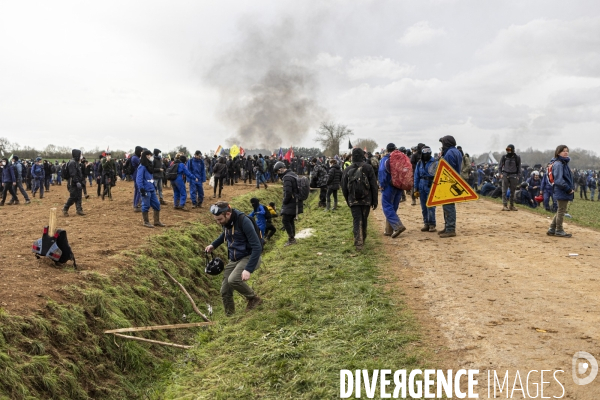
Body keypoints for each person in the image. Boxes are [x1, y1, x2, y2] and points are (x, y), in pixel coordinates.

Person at [205, 202, 263, 316]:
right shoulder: (226, 222)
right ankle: (230, 317)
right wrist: (213, 245)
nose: (218, 222)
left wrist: (248, 269)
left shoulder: (244, 222)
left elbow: (257, 247)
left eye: (220, 219)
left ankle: (254, 299)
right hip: (234, 259)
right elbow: (225, 235)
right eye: (216, 220)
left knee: (233, 279)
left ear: (227, 214)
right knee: (225, 290)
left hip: (249, 256)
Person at [341, 148, 378, 251]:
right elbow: (374, 185)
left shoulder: (347, 169)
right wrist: (375, 201)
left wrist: (348, 199)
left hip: (353, 200)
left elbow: (344, 187)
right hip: (366, 200)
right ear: (362, 155)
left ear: (352, 156)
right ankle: (363, 238)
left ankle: (358, 242)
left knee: (357, 219)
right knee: (364, 219)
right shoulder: (368, 168)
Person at [378, 143, 406, 238]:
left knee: (386, 206)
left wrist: (382, 184)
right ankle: (388, 230)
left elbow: (382, 171)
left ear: (387, 150)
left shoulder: (385, 159)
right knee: (393, 207)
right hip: (399, 185)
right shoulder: (401, 158)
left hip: (389, 186)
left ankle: (398, 226)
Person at [274, 161, 304, 246]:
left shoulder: (287, 177)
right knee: (290, 219)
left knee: (285, 220)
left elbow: (288, 192)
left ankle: (291, 239)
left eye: (277, 172)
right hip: (297, 201)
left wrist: (284, 202)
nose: (278, 174)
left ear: (280, 169)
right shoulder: (293, 174)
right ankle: (292, 237)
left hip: (291, 202)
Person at [438, 136, 462, 238]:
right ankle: (447, 226)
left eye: (442, 143)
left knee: (448, 205)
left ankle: (450, 229)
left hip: (448, 182)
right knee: (447, 205)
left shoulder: (449, 153)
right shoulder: (456, 152)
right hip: (454, 181)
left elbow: (447, 169)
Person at [548, 145, 573, 238]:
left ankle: (552, 229)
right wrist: (568, 189)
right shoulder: (559, 164)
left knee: (560, 210)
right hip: (562, 190)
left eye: (567, 151)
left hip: (562, 190)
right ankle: (559, 229)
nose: (566, 152)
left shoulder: (563, 163)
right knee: (561, 211)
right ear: (558, 153)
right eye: (563, 151)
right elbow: (558, 180)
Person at [136, 149, 165, 228]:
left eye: (150, 155)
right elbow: (139, 179)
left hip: (151, 188)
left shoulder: (149, 166)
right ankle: (146, 222)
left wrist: (154, 186)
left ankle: (156, 221)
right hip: (145, 189)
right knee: (146, 205)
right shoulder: (141, 167)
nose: (150, 156)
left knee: (157, 204)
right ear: (145, 156)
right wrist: (141, 188)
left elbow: (150, 177)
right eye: (148, 155)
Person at [413, 146, 437, 232]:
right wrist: (415, 188)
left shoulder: (435, 162)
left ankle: (432, 224)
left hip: (431, 185)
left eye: (428, 153)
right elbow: (416, 176)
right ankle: (426, 223)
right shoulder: (419, 163)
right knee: (423, 206)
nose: (426, 155)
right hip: (421, 185)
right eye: (425, 153)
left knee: (431, 205)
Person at [62, 149, 86, 217]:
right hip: (72, 182)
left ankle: (79, 210)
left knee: (79, 196)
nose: (81, 156)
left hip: (77, 182)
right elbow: (73, 174)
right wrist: (77, 182)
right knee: (73, 197)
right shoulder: (72, 162)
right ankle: (65, 208)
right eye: (80, 154)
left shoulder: (76, 162)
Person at [499, 144, 521, 211]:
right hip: (505, 175)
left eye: (509, 149)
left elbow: (519, 167)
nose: (508, 151)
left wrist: (518, 176)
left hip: (513, 176)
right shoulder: (504, 157)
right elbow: (500, 166)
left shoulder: (517, 158)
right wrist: (500, 174)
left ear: (513, 149)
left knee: (512, 191)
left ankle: (511, 205)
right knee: (504, 191)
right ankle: (504, 205)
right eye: (507, 149)